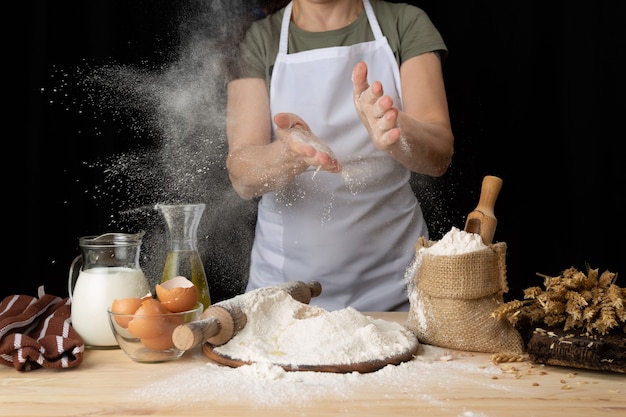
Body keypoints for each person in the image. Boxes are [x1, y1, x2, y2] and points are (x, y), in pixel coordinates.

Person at [225, 0, 454, 311]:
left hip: (398, 293)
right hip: (283, 300)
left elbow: (440, 154)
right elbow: (242, 175)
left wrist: (395, 131)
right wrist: (288, 155)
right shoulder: (259, 38)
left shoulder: (404, 22)